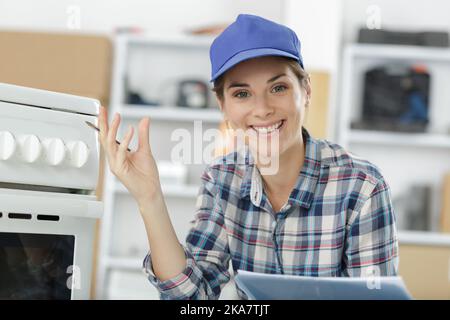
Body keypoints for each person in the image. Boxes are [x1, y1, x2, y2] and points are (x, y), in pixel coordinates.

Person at [98, 14, 398, 300]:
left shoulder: (362, 186)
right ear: (223, 105)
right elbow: (192, 298)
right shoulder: (221, 180)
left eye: (278, 88)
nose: (262, 109)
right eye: (242, 94)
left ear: (306, 90)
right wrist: (150, 199)